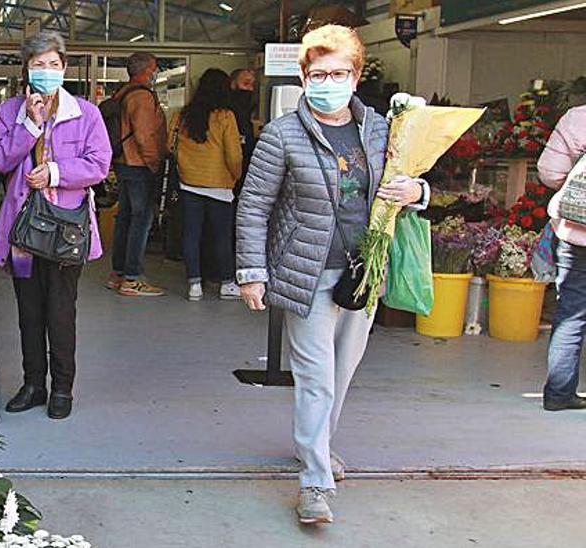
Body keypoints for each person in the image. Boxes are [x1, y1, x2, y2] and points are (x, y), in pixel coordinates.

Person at [235, 24, 429, 524]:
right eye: (318, 73)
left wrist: (417, 194)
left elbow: (412, 182)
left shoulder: (381, 130)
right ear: (303, 76)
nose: (329, 81)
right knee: (316, 377)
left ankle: (316, 446)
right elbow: (254, 204)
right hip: (307, 272)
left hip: (364, 269)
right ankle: (315, 483)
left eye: (339, 72)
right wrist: (252, 271)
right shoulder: (282, 135)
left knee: (342, 373)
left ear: (356, 75)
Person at [0, 31, 111, 420]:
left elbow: (98, 164)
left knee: (60, 310)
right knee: (28, 311)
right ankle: (33, 384)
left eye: (53, 65)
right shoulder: (10, 112)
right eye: (38, 64)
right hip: (23, 231)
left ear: (65, 68)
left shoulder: (87, 113)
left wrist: (56, 172)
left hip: (66, 231)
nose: (46, 71)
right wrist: (31, 125)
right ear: (26, 68)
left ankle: (62, 389)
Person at [172, 68, 243, 301]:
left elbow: (168, 145)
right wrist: (236, 176)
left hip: (189, 183)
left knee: (191, 234)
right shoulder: (225, 117)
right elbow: (233, 154)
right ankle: (226, 283)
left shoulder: (183, 115)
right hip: (220, 185)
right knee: (221, 236)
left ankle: (194, 285)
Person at [105, 52, 169, 297]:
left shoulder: (122, 93)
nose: (156, 72)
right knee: (141, 220)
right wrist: (154, 163)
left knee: (126, 217)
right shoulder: (142, 96)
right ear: (146, 70)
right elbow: (144, 135)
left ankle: (118, 273)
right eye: (154, 67)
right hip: (138, 164)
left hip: (123, 163)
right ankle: (132, 277)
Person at [540, 104, 586, 411]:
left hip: (576, 231)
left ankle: (558, 394)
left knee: (571, 313)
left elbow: (549, 173)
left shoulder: (578, 117)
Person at [229, 67, 258, 194]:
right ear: (233, 84)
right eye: (246, 84)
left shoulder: (250, 110)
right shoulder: (228, 112)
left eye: (252, 85)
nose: (250, 89)